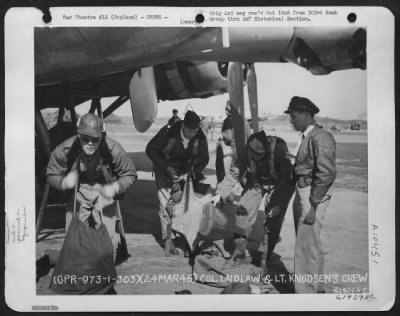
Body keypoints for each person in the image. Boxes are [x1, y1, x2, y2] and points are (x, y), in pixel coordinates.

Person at [46, 113, 137, 256]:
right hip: (79, 190)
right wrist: (63, 182)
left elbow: (130, 173)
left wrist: (116, 187)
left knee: (106, 237)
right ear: (78, 135)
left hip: (104, 190)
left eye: (95, 139)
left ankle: (105, 266)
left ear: (102, 136)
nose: (90, 143)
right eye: (85, 138)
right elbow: (52, 174)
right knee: (73, 237)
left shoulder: (114, 149)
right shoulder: (65, 149)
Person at [214, 130, 294, 271]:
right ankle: (239, 253)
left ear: (266, 149)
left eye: (260, 154)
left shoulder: (279, 150)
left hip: (279, 185)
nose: (256, 157)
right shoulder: (247, 151)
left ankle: (265, 259)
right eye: (254, 154)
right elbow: (235, 173)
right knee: (242, 214)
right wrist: (220, 193)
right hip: (257, 183)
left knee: (273, 221)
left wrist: (278, 205)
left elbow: (286, 181)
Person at [284, 96, 336, 293]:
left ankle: (306, 295)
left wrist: (313, 205)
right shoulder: (307, 136)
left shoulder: (320, 137)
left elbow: (326, 173)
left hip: (312, 195)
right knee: (310, 243)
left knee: (305, 248)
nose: (291, 120)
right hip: (304, 191)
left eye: (294, 116)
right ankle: (317, 287)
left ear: (306, 115)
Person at [146, 110, 209, 256]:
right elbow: (150, 149)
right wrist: (166, 167)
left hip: (184, 171)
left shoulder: (200, 136)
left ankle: (189, 239)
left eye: (195, 131)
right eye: (189, 131)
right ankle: (168, 239)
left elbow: (204, 158)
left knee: (188, 205)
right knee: (165, 204)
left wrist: (192, 172)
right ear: (183, 127)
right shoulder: (168, 132)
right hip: (164, 168)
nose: (192, 134)